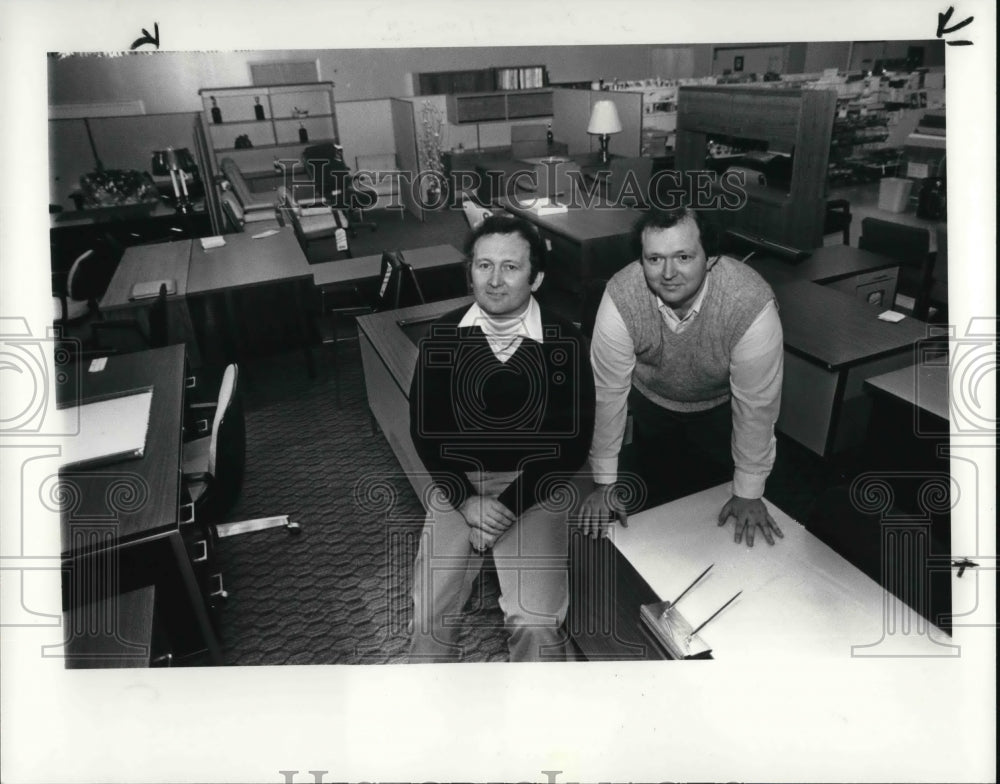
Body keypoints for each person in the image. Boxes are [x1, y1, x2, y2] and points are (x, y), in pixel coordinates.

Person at [408, 214, 595, 662]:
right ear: (469, 271)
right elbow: (424, 429)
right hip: (459, 485)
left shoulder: (563, 343)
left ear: (537, 278)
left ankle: (535, 721)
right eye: (483, 265)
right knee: (427, 616)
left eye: (510, 267)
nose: (494, 280)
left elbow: (570, 445)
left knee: (535, 622)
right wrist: (466, 499)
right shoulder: (442, 336)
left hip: (535, 488)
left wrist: (506, 508)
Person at [579, 207, 785, 547]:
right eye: (655, 259)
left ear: (710, 258)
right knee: (654, 517)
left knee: (711, 521)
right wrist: (604, 484)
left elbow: (756, 407)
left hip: (722, 409)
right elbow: (607, 394)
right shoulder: (621, 295)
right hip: (651, 401)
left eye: (684, 256)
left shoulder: (750, 304)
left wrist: (748, 493)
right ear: (641, 261)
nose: (669, 273)